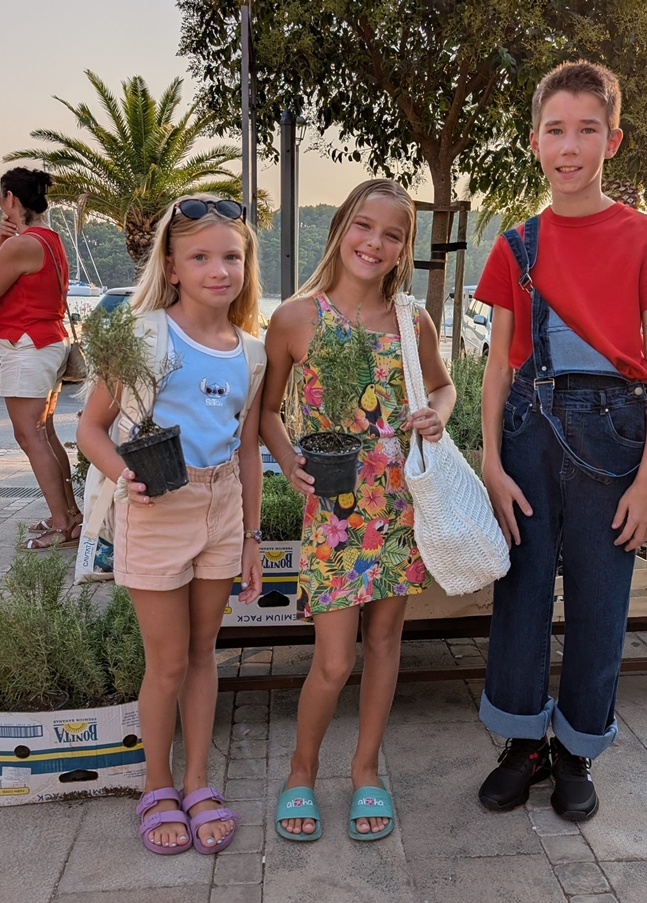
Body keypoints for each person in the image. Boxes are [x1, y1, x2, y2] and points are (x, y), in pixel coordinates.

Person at [474, 62, 647, 822]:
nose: (570, 147)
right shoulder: (515, 246)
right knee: (522, 591)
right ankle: (522, 744)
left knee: (600, 599)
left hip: (615, 437)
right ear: (535, 141)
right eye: (556, 131)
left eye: (586, 130)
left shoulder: (646, 238)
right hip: (527, 432)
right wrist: (491, 462)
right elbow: (497, 367)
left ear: (612, 140)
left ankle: (577, 749)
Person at [261, 179, 455, 843]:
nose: (375, 242)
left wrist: (438, 414)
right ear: (342, 228)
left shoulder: (411, 320)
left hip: (398, 507)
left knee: (387, 642)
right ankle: (302, 768)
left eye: (392, 234)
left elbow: (443, 386)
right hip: (334, 513)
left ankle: (366, 768)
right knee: (334, 660)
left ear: (404, 248)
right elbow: (266, 411)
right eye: (364, 226)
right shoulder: (295, 319)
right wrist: (287, 460)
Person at [77, 195, 266, 856]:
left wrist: (251, 537)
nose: (219, 270)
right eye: (201, 256)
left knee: (203, 652)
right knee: (166, 661)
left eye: (231, 256)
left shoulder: (252, 352)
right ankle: (156, 783)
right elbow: (91, 428)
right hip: (157, 508)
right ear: (172, 265)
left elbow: (248, 449)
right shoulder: (143, 335)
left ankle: (196, 780)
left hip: (222, 507)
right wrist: (125, 474)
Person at [0, 168, 80, 550]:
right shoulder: (50, 239)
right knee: (44, 433)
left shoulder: (21, 245)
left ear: (10, 199)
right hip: (47, 341)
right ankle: (69, 514)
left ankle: (62, 524)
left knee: (30, 436)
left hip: (26, 344)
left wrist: (2, 245)